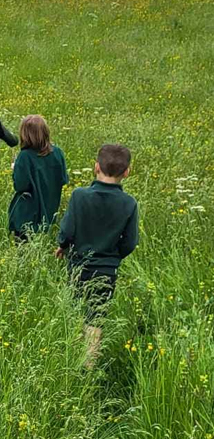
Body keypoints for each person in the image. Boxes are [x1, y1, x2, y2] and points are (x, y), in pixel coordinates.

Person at [55, 144, 138, 368]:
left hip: (77, 266)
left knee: (75, 310)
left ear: (96, 167)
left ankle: (71, 359)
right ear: (127, 172)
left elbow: (67, 231)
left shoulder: (79, 196)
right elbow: (130, 242)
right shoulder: (129, 203)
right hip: (107, 270)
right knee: (95, 318)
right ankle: (88, 365)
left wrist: (62, 246)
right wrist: (112, 257)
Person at [8, 115, 69, 240]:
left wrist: (16, 170)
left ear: (24, 134)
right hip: (50, 207)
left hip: (27, 213)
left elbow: (20, 186)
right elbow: (63, 179)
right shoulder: (57, 152)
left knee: (23, 247)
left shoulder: (24, 156)